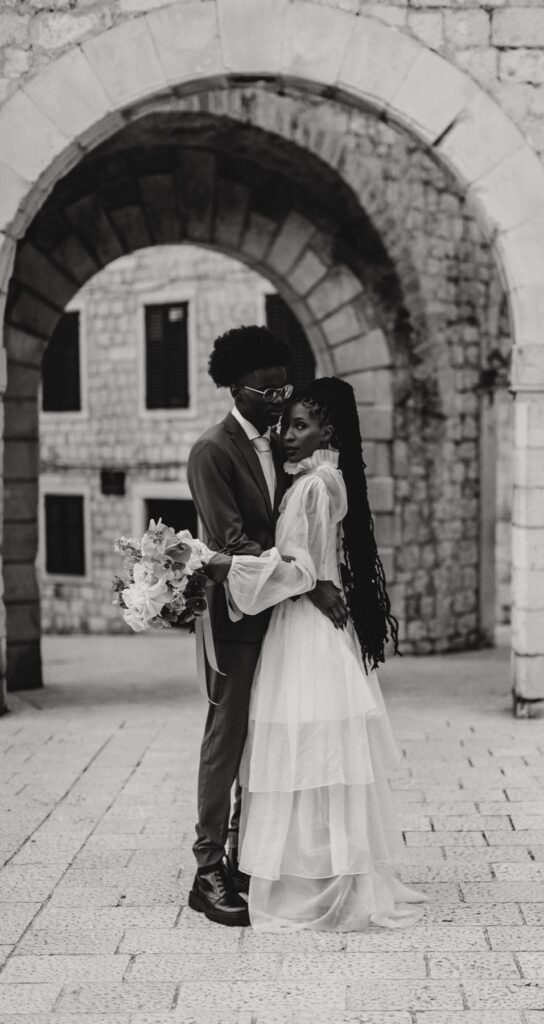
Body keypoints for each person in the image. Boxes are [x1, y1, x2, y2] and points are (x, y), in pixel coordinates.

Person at [220, 377, 427, 930]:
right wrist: (313, 581)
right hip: (318, 624)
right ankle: (331, 868)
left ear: (327, 431)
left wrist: (223, 570)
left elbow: (297, 567)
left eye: (301, 426)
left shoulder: (312, 487)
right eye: (286, 424)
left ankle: (310, 883)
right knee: (324, 749)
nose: (287, 434)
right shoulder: (328, 477)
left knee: (302, 743)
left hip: (303, 628)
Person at [187, 329, 347, 928]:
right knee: (226, 738)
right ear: (237, 388)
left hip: (281, 616)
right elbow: (235, 545)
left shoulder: (288, 447)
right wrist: (310, 579)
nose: (282, 399)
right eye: (269, 389)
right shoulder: (212, 450)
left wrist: (316, 574)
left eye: (286, 386)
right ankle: (206, 872)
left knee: (270, 738)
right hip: (235, 618)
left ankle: (244, 854)